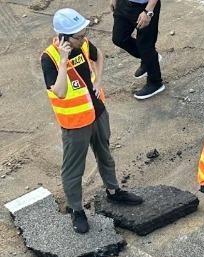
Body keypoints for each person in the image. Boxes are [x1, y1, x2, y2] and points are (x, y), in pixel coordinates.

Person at [42, 8, 143, 235]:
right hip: (75, 122)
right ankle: (76, 209)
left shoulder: (84, 44)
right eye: (78, 36)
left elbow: (99, 56)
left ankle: (114, 191)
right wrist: (64, 59)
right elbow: (59, 91)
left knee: (105, 153)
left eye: (83, 33)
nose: (84, 38)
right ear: (64, 38)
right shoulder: (49, 57)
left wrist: (98, 81)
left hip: (97, 112)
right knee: (73, 168)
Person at [110, 0, 164, 100]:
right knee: (119, 38)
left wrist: (148, 12)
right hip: (124, 3)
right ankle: (150, 59)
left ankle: (155, 82)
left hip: (145, 7)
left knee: (145, 45)